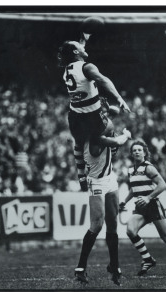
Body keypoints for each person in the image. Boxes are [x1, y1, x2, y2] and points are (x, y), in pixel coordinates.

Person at [58, 35, 130, 192]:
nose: (84, 47)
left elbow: (78, 48)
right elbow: (104, 80)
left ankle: (81, 176)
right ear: (76, 51)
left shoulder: (68, 68)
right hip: (91, 116)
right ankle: (113, 146)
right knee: (106, 131)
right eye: (81, 46)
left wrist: (84, 37)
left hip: (75, 116)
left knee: (79, 142)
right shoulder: (87, 67)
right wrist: (119, 98)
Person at [74, 108, 131, 286]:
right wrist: (126, 134)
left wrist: (108, 110)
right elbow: (118, 140)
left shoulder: (92, 132)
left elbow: (108, 119)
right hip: (97, 182)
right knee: (97, 224)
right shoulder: (96, 137)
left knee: (112, 224)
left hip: (110, 178)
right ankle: (80, 268)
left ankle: (114, 266)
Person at [119, 140, 166, 276]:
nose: (137, 152)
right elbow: (133, 189)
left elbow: (163, 185)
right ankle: (147, 259)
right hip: (140, 207)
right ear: (131, 153)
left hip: (153, 205)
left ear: (144, 153)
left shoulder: (148, 167)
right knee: (130, 230)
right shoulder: (131, 170)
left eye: (139, 150)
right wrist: (124, 201)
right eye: (134, 150)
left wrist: (148, 198)